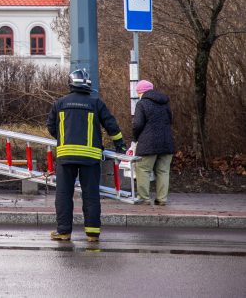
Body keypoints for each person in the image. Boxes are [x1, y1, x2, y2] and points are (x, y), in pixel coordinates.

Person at [47, 68, 126, 243]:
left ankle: (64, 232)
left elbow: (51, 127)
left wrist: (64, 138)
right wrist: (120, 145)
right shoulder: (96, 103)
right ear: (88, 85)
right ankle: (92, 233)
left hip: (66, 156)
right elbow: (111, 125)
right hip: (90, 158)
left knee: (63, 194)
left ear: (71, 83)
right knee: (90, 195)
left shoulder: (60, 103)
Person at [132, 79, 175, 205]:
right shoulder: (165, 102)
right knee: (163, 171)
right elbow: (170, 120)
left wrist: (135, 139)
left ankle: (144, 198)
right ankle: (162, 199)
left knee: (143, 169)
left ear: (140, 92)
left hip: (148, 143)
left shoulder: (142, 103)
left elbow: (137, 124)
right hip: (166, 141)